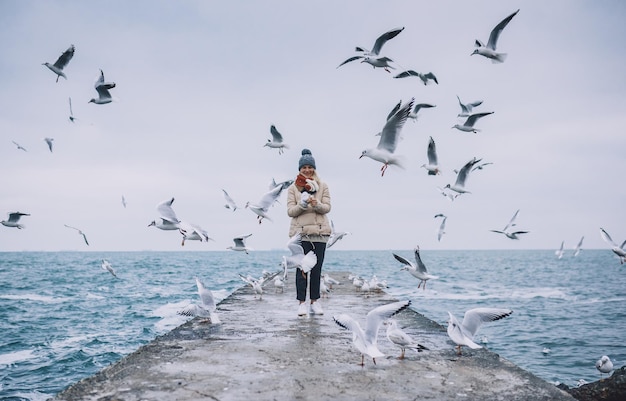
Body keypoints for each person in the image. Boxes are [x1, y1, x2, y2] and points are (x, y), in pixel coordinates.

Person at [287, 149, 332, 316]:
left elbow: (327, 208)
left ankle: (315, 302)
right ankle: (301, 303)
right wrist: (303, 205)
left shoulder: (323, 186)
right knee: (302, 269)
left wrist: (316, 203)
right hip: (300, 234)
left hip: (319, 234)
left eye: (310, 167)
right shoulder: (293, 188)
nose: (307, 170)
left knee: (316, 269)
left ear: (314, 168)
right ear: (299, 169)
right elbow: (290, 211)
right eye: (304, 167)